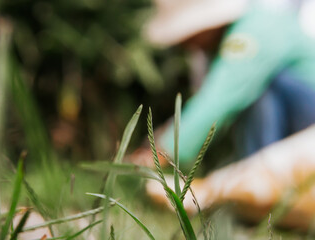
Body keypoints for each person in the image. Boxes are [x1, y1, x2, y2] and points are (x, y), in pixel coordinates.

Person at [132, 0, 315, 167]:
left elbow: (218, 100)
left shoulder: (251, 33)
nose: (184, 43)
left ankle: (267, 173)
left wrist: (161, 152)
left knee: (261, 90)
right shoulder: (222, 46)